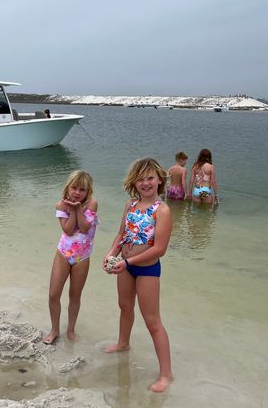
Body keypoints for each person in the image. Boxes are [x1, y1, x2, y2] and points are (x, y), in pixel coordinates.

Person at [102, 157, 173, 393]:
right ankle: (123, 343)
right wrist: (111, 254)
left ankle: (166, 374)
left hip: (147, 269)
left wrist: (128, 261)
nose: (146, 183)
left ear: (159, 180)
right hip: (125, 265)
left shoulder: (162, 211)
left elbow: (159, 248)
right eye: (141, 179)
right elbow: (121, 235)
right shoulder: (130, 205)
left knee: (152, 320)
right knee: (124, 306)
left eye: (150, 178)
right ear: (134, 182)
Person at [43, 170, 98, 345]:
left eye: (82, 190)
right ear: (68, 187)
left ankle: (71, 330)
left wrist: (78, 209)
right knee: (53, 294)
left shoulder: (92, 204)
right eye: (74, 188)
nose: (77, 192)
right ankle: (55, 329)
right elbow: (67, 230)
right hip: (63, 253)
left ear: (88, 191)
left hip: (82, 256)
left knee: (75, 295)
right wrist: (73, 209)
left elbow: (83, 228)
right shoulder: (61, 205)